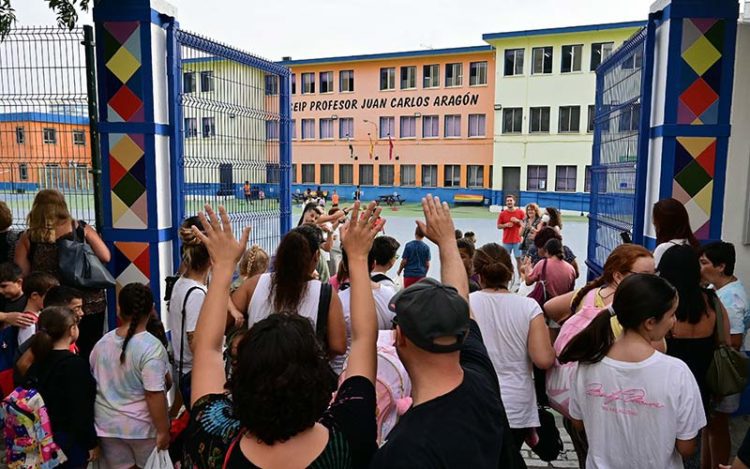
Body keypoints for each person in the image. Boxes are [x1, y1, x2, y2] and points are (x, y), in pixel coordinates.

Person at [183, 202, 381, 468]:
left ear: (240, 382)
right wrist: (357, 258)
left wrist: (222, 267)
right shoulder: (348, 437)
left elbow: (206, 348)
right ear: (319, 381)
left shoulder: (213, 436)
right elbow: (364, 340)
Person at [372, 196, 524, 468]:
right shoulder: (481, 380)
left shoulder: (406, 450)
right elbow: (462, 304)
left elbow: (463, 305)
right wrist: (446, 243)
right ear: (463, 334)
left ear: (399, 337)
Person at [561, 274, 706, 469]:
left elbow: (579, 424)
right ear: (650, 322)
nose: (674, 321)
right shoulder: (676, 372)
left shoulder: (588, 363)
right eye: (671, 314)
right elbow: (686, 447)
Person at [543, 244, 657, 466]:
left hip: (577, 398)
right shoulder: (637, 309)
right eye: (645, 276)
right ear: (618, 275)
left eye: (654, 275)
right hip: (615, 405)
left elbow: (548, 307)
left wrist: (560, 336)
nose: (652, 281)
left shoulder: (587, 294)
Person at [470, 242, 555, 449]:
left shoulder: (466, 303)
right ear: (510, 273)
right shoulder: (529, 307)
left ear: (478, 274)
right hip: (516, 404)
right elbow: (543, 359)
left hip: (475, 399)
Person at [14, 189, 111, 360]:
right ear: (62, 206)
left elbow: (21, 272)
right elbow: (105, 256)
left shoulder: (29, 236)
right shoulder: (80, 228)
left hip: (53, 305)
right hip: (89, 302)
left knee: (57, 351)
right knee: (90, 350)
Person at [660, 244, 730, 469]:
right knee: (690, 449)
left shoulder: (662, 305)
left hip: (662, 388)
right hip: (700, 388)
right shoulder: (712, 301)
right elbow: (725, 341)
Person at [231, 224, 347, 356]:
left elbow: (223, 322)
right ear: (316, 256)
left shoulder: (254, 284)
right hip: (303, 372)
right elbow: (338, 346)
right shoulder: (325, 293)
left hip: (257, 369)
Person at [90, 283, 170, 469]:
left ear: (119, 309)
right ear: (152, 309)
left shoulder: (101, 344)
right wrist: (163, 430)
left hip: (107, 426)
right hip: (142, 429)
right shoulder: (152, 348)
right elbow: (154, 393)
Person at [25, 306, 98, 468]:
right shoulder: (74, 365)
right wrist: (91, 442)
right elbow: (81, 410)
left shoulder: (37, 363)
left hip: (39, 438)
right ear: (72, 330)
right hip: (68, 443)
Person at [700, 241, 748, 469]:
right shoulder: (716, 290)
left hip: (723, 371)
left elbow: (735, 342)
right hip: (714, 368)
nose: (699, 268)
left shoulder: (733, 298)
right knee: (710, 426)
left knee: (718, 428)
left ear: (721, 266)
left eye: (704, 263)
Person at [331, 247, 396, 374]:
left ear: (344, 265)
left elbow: (335, 346)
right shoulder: (390, 294)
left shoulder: (337, 300)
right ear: (374, 265)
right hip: (384, 371)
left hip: (344, 371)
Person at [168, 217, 211, 408]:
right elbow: (195, 342)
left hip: (184, 369)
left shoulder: (181, 282)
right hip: (193, 372)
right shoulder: (196, 294)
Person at [652, 198, 701, 268]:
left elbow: (654, 276)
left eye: (655, 219)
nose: (653, 222)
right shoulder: (693, 244)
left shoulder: (663, 249)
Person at [17, 271, 59, 346]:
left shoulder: (40, 315)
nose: (53, 299)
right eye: (50, 295)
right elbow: (27, 350)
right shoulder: (28, 322)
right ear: (34, 295)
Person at [496, 195, 525, 274]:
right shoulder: (502, 214)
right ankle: (507, 277)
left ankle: (520, 278)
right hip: (506, 241)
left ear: (514, 202)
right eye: (508, 201)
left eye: (510, 200)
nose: (509, 202)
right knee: (505, 260)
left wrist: (517, 221)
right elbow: (498, 226)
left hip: (517, 240)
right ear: (506, 202)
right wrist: (505, 225)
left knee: (519, 260)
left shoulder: (520, 212)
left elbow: (524, 225)